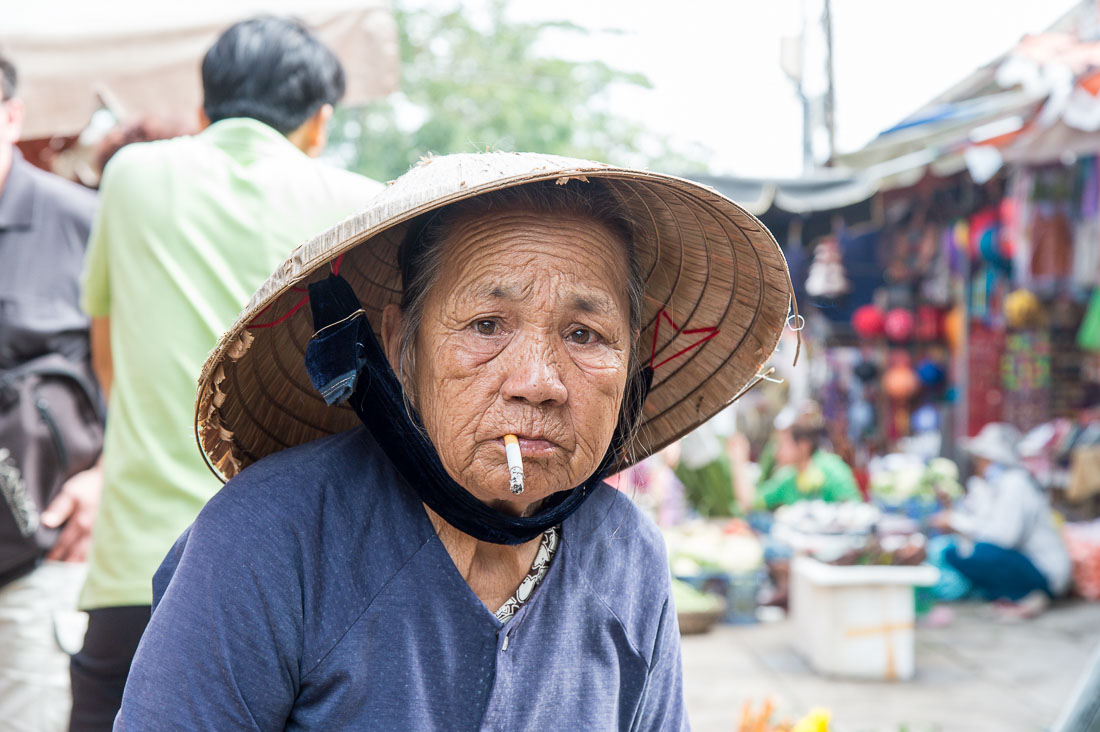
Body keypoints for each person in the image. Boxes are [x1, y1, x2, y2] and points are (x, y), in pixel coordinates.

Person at [113, 151, 794, 729]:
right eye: (487, 324)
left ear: (633, 366)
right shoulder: (269, 540)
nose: (538, 381)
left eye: (584, 334)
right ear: (401, 343)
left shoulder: (627, 561)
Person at [72, 17, 383, 730]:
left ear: (205, 107)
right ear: (319, 121)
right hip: (300, 573)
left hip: (135, 563)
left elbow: (107, 358)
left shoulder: (132, 176)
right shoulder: (362, 202)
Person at [0, 51, 101, 732]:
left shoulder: (80, 219)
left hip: (36, 550)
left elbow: (140, 364)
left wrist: (105, 477)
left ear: (12, 116)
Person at [931, 422, 1071, 616]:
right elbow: (982, 521)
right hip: (1021, 562)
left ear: (992, 460)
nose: (977, 465)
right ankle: (1011, 595)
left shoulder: (1015, 484)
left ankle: (1028, 594)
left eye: (980, 460)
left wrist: (956, 523)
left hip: (1044, 573)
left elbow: (1004, 538)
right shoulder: (994, 485)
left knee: (970, 553)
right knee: (956, 552)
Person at [731, 401, 860, 513]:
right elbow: (749, 502)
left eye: (782, 444)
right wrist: (738, 460)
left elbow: (855, 511)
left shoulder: (833, 470)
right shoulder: (788, 477)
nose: (776, 451)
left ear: (803, 446)